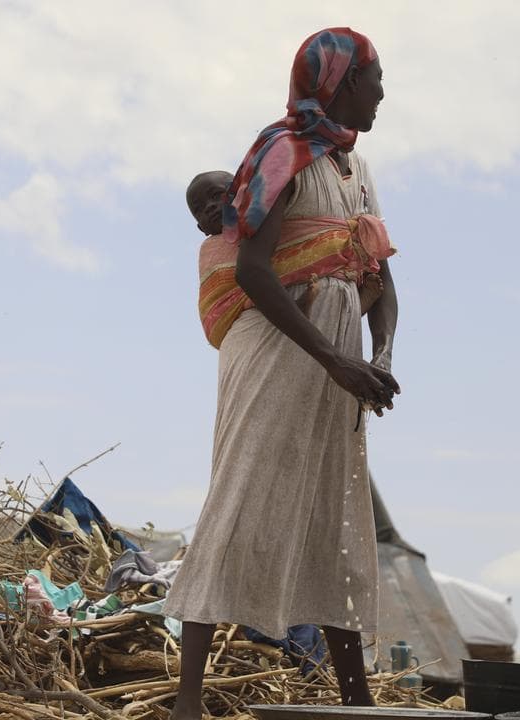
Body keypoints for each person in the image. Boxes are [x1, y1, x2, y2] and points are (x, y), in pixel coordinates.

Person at [165, 27, 398, 720]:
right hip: (277, 349)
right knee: (241, 496)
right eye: (373, 77)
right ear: (338, 83)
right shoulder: (283, 151)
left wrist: (378, 357)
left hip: (340, 360)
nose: (382, 90)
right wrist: (335, 359)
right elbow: (252, 269)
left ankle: (353, 699)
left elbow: (380, 278)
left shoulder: (360, 172)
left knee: (335, 511)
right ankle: (187, 702)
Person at [189, 170, 384, 330]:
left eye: (216, 195)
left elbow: (291, 245)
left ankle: (357, 307)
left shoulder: (263, 224)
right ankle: (298, 307)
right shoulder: (212, 248)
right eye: (199, 209)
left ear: (241, 194)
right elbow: (226, 287)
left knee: (326, 314)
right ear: (201, 228)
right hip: (236, 310)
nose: (209, 207)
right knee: (255, 285)